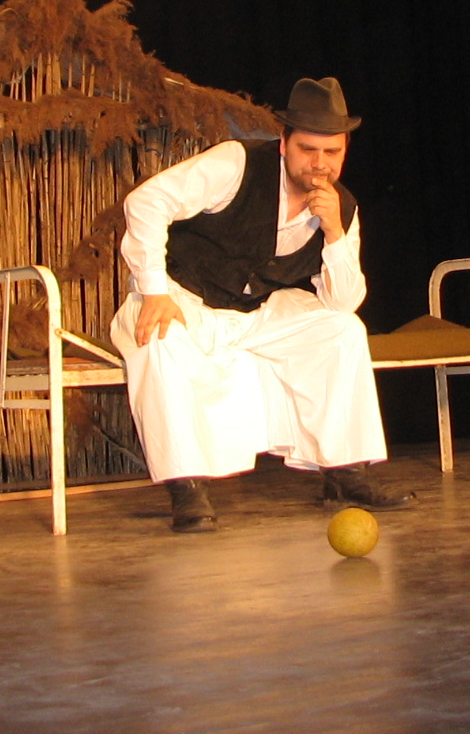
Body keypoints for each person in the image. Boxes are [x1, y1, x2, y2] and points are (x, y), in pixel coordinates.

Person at [112, 77, 412, 532]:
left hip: (258, 314)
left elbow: (342, 301)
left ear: (344, 152)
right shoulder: (237, 163)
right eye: (308, 149)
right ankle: (187, 489)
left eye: (332, 152)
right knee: (160, 336)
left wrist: (333, 232)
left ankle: (346, 474)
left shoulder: (342, 208)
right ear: (284, 145)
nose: (319, 163)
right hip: (187, 300)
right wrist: (154, 289)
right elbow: (148, 201)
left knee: (341, 330)